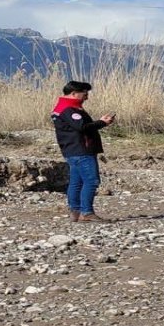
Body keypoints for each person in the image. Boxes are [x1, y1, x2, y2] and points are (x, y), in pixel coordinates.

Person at [51, 81, 115, 223]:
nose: (87, 96)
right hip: (81, 150)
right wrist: (102, 122)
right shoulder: (69, 109)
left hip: (73, 150)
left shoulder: (65, 107)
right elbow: (82, 127)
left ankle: (76, 211)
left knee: (77, 182)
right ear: (74, 93)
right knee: (91, 181)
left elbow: (80, 126)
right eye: (84, 94)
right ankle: (86, 212)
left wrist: (101, 122)